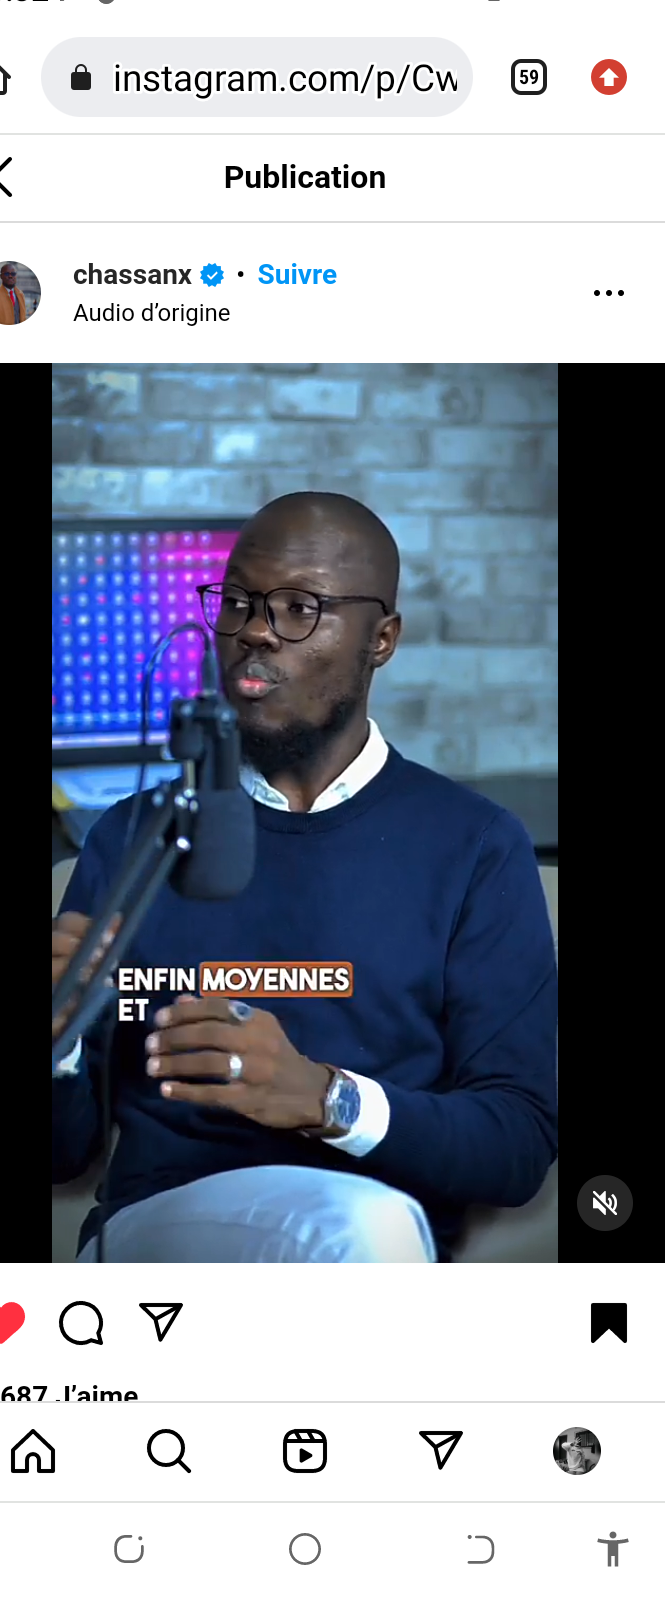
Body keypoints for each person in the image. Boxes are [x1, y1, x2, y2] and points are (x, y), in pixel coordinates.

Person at [52, 491, 558, 1263]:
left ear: (381, 640)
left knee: (360, 1226)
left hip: (378, 1248)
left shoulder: (476, 847)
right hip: (161, 1240)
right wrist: (59, 1045)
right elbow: (64, 1154)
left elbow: (516, 1145)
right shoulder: (132, 838)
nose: (256, 630)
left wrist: (326, 1099)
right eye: (238, 602)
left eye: (300, 607)